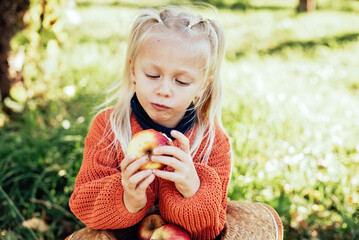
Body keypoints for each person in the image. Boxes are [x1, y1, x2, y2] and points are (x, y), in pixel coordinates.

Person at [68, 6, 283, 240]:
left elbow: (210, 230)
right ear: (133, 71)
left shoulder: (213, 143)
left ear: (203, 86)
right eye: (152, 75)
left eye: (181, 81)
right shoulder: (109, 127)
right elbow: (83, 205)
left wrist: (192, 190)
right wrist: (127, 198)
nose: (164, 90)